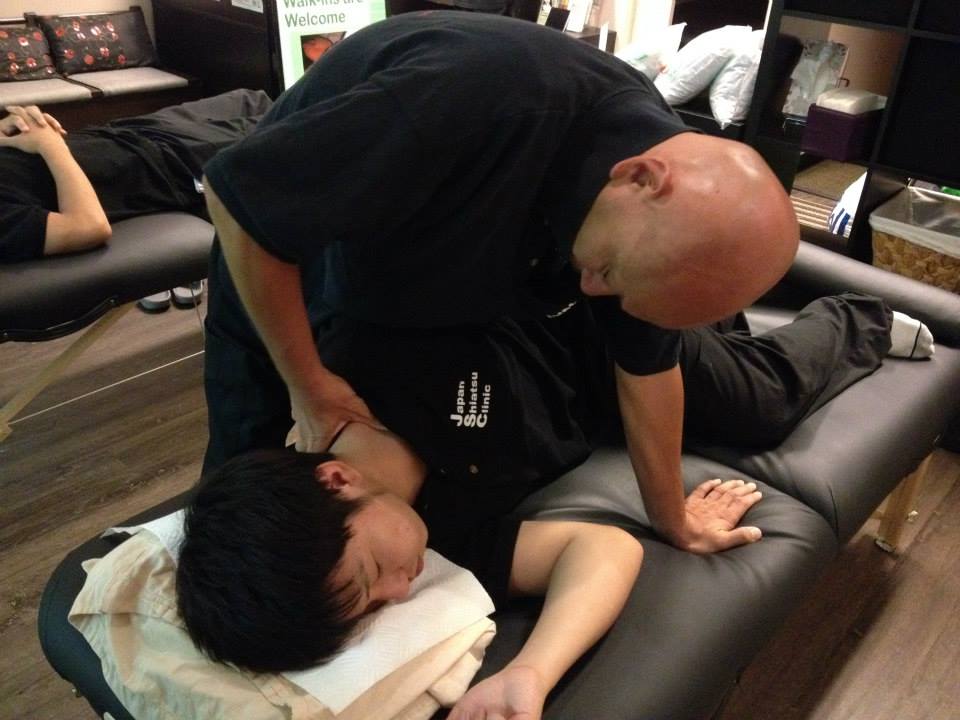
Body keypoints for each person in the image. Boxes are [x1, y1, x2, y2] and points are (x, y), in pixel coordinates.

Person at [200, 12, 800, 559]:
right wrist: (307, 385)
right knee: (243, 503)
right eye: (605, 272)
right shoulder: (469, 95)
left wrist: (674, 522)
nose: (592, 292)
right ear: (639, 178)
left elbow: (646, 368)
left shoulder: (655, 225)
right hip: (284, 268)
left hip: (424, 288)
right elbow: (241, 201)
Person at [177, 290, 933, 718]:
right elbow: (601, 549)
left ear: (335, 483)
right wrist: (531, 672)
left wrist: (674, 513)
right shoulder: (438, 541)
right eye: (375, 605)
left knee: (758, 403)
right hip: (597, 402)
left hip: (609, 321)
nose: (401, 591)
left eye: (373, 572)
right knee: (720, 340)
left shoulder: (363, 352)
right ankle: (721, 315)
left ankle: (854, 317)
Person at [0, 88, 272, 263]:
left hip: (131, 131)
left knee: (253, 99)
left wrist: (15, 126)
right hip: (166, 167)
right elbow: (89, 227)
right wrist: (50, 145)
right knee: (281, 128)